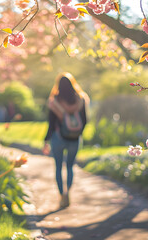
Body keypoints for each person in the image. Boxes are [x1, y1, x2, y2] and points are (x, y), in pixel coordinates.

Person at [43, 72, 89, 208]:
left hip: (58, 137)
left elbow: (51, 123)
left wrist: (46, 140)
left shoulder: (54, 101)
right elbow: (85, 120)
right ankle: (68, 191)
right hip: (74, 139)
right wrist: (77, 132)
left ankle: (61, 195)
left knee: (58, 167)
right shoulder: (80, 99)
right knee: (70, 166)